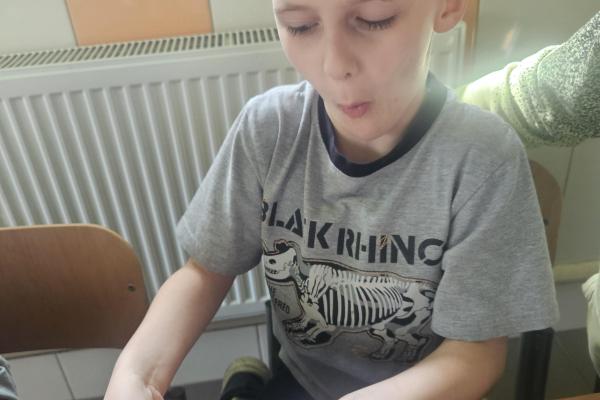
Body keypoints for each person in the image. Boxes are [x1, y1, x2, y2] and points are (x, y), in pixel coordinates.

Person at [104, 0, 559, 399]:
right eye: (300, 25)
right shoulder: (268, 130)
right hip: (303, 381)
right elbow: (205, 271)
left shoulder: (483, 160)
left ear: (448, 5)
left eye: (375, 18)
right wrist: (135, 375)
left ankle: (242, 385)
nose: (335, 64)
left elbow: (475, 353)